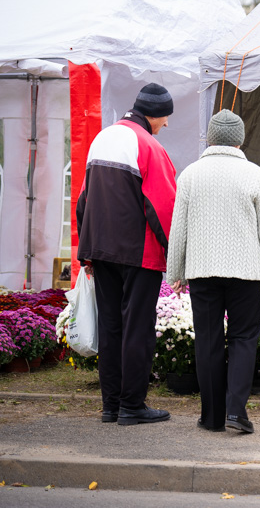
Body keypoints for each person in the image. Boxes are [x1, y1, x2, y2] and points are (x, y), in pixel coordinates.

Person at [166, 109, 260, 434]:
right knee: (244, 337)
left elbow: (179, 228)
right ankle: (236, 411)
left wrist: (174, 270)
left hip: (202, 270)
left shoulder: (190, 174)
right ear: (240, 140)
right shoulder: (256, 175)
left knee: (207, 339)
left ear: (210, 138)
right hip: (246, 272)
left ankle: (212, 416)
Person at [76, 83, 177, 425]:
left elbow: (83, 200)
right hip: (139, 253)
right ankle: (132, 406)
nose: (165, 125)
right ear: (157, 114)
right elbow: (162, 207)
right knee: (137, 328)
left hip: (100, 249)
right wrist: (175, 253)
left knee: (111, 326)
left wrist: (85, 252)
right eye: (166, 118)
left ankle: (111, 405)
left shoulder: (102, 138)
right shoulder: (149, 145)